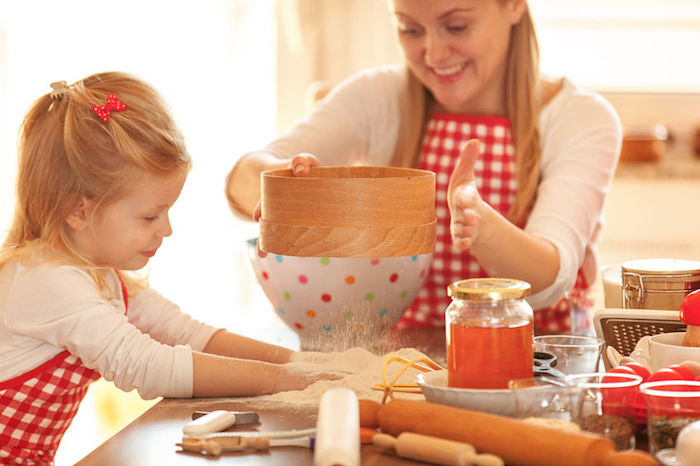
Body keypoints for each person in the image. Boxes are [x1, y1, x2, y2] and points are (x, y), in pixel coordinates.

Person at [0, 72, 341, 463]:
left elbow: (187, 334)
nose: (166, 229)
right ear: (79, 210)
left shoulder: (100, 274)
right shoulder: (45, 281)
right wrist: (290, 382)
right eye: (150, 216)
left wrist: (305, 364)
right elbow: (149, 367)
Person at [226, 0, 622, 335]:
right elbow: (241, 177)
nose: (433, 54)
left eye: (457, 26)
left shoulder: (580, 118)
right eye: (410, 30)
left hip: (540, 369)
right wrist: (281, 185)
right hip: (400, 367)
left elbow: (549, 276)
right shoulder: (376, 97)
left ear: (514, 5)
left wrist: (480, 225)